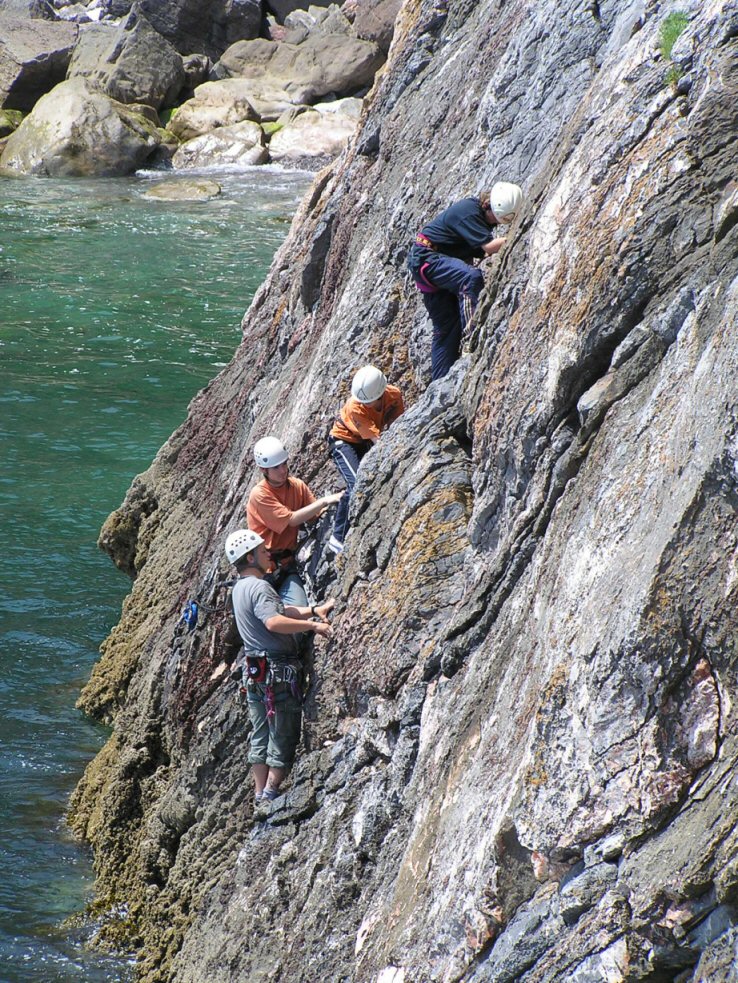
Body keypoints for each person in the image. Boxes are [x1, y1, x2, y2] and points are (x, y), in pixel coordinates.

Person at [225, 528, 334, 805]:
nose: (268, 555)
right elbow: (273, 622)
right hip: (277, 669)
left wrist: (313, 610)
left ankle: (259, 792)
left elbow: (280, 611)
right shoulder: (260, 587)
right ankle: (271, 794)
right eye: (262, 552)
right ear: (250, 557)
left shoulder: (239, 588)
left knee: (260, 731)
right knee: (283, 730)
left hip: (254, 669)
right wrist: (313, 626)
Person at [407, 181, 524, 381]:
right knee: (469, 277)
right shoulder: (470, 212)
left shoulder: (481, 214)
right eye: (495, 220)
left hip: (428, 264)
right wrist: (516, 235)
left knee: (447, 328)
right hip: (429, 259)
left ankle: (440, 383)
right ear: (487, 205)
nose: (494, 225)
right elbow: (488, 247)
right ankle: (472, 336)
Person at [247, 436, 343, 607]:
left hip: (286, 564)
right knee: (269, 617)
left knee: (299, 615)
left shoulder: (297, 486)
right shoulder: (260, 494)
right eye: (276, 467)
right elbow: (291, 520)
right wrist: (325, 501)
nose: (283, 470)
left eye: (284, 464)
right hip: (263, 570)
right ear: (263, 470)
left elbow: (315, 516)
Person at [327, 365, 404, 554]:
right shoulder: (356, 406)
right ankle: (338, 537)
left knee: (368, 481)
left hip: (363, 442)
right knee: (357, 482)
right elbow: (376, 440)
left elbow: (399, 425)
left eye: (369, 401)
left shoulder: (394, 395)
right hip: (343, 441)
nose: (365, 404)